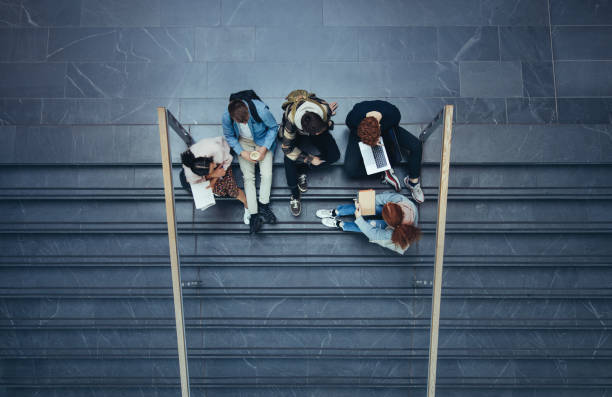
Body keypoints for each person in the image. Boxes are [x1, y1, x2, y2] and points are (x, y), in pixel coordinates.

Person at [343, 100, 425, 203]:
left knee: (416, 145)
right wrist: (365, 138)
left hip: (387, 130)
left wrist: (378, 137)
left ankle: (413, 182)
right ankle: (383, 172)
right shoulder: (354, 117)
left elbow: (394, 126)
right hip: (361, 135)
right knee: (350, 170)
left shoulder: (393, 114)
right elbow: (350, 125)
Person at [222, 90, 278, 233]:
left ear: (247, 109)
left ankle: (264, 205)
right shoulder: (226, 117)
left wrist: (264, 149)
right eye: (242, 122)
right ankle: (253, 214)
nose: (245, 122)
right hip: (243, 143)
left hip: (263, 140)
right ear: (233, 118)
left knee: (267, 174)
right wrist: (241, 152)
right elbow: (229, 136)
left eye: (247, 119)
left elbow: (273, 128)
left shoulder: (261, 110)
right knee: (248, 178)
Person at [279, 89, 340, 216]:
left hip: (315, 126)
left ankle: (301, 168)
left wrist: (327, 118)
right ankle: (295, 195)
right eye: (316, 133)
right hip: (295, 133)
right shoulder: (291, 122)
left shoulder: (322, 109)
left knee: (334, 155)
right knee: (288, 160)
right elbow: (286, 148)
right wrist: (310, 159)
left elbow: (325, 117)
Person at [316, 192, 420, 255]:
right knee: (368, 206)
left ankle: (341, 224)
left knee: (369, 225)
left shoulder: (392, 235)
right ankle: (336, 212)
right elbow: (384, 199)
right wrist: (362, 202)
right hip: (396, 220)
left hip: (394, 234)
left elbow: (372, 233)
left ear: (390, 225)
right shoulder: (401, 201)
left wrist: (359, 218)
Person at [180, 136, 249, 223]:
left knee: (231, 190)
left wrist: (216, 174)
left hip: (223, 160)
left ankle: (247, 205)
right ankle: (220, 190)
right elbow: (201, 180)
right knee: (218, 189)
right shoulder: (190, 172)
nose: (214, 167)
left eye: (212, 167)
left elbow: (227, 160)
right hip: (204, 173)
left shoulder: (217, 151)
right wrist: (213, 175)